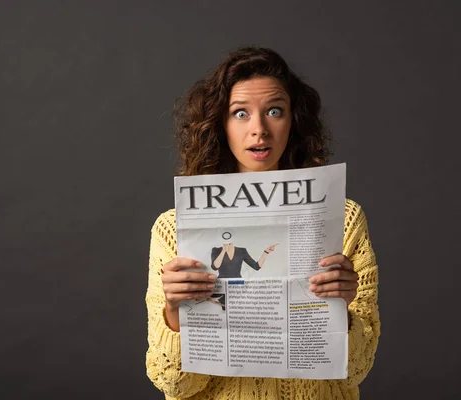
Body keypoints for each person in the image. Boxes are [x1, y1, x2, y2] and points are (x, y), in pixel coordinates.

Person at [145, 47, 380, 400]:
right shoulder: (172, 229)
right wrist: (175, 313)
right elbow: (174, 384)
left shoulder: (342, 219)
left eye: (275, 111)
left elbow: (357, 371)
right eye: (240, 113)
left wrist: (341, 311)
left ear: (294, 121)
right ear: (220, 125)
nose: (259, 129)